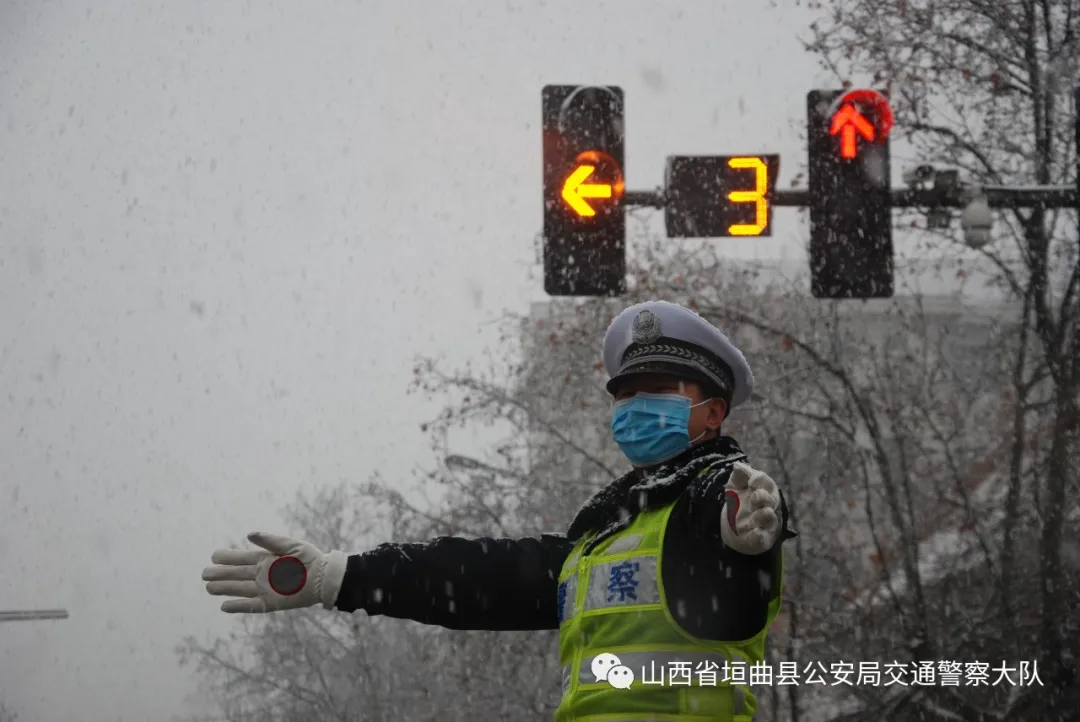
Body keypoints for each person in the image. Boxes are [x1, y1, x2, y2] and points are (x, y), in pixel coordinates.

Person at [203, 299, 796, 721]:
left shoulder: (717, 499)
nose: (635, 406)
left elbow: (737, 552)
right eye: (625, 393)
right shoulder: (599, 540)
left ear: (714, 413)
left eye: (660, 391)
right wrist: (344, 576)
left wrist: (741, 538)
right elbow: (474, 577)